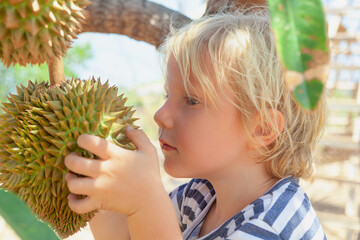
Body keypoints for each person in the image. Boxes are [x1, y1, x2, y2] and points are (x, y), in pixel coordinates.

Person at [64, 8, 327, 240]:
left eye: (191, 100)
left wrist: (145, 202)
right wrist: (91, 173)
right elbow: (124, 236)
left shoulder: (271, 226)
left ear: (262, 128)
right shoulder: (201, 195)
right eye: (168, 96)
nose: (160, 115)